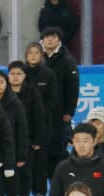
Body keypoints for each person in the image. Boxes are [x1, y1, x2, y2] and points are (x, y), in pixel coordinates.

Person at [8, 61, 47, 196]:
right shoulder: (4, 92)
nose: (15, 77)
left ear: (25, 76)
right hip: (7, 137)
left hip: (27, 137)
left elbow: (39, 117)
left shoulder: (32, 92)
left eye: (19, 73)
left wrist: (38, 139)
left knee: (24, 168)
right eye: (12, 73)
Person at [24, 42, 60, 196]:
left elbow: (53, 99)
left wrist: (40, 112)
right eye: (30, 53)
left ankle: (40, 191)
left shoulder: (48, 74)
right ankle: (24, 193)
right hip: (24, 122)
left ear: (41, 55)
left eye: (36, 53)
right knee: (25, 158)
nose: (33, 56)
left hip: (43, 122)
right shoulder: (21, 73)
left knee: (41, 158)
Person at [41, 26, 79, 175]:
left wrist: (69, 111)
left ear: (59, 40)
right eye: (47, 37)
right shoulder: (37, 58)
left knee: (59, 149)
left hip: (60, 113)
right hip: (41, 114)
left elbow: (72, 88)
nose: (50, 40)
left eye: (53, 37)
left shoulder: (67, 60)